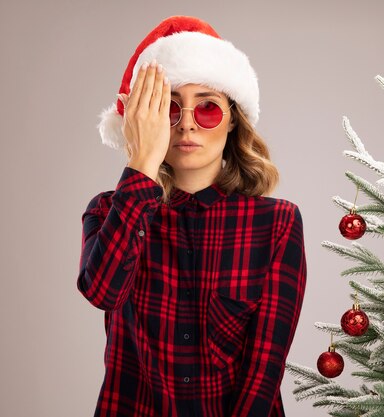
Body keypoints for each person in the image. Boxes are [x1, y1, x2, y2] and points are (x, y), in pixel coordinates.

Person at [77, 15, 307, 417]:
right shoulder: (108, 211)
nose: (186, 124)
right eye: (167, 109)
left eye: (208, 109)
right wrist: (143, 160)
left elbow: (264, 370)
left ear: (233, 119)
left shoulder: (277, 223)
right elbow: (102, 291)